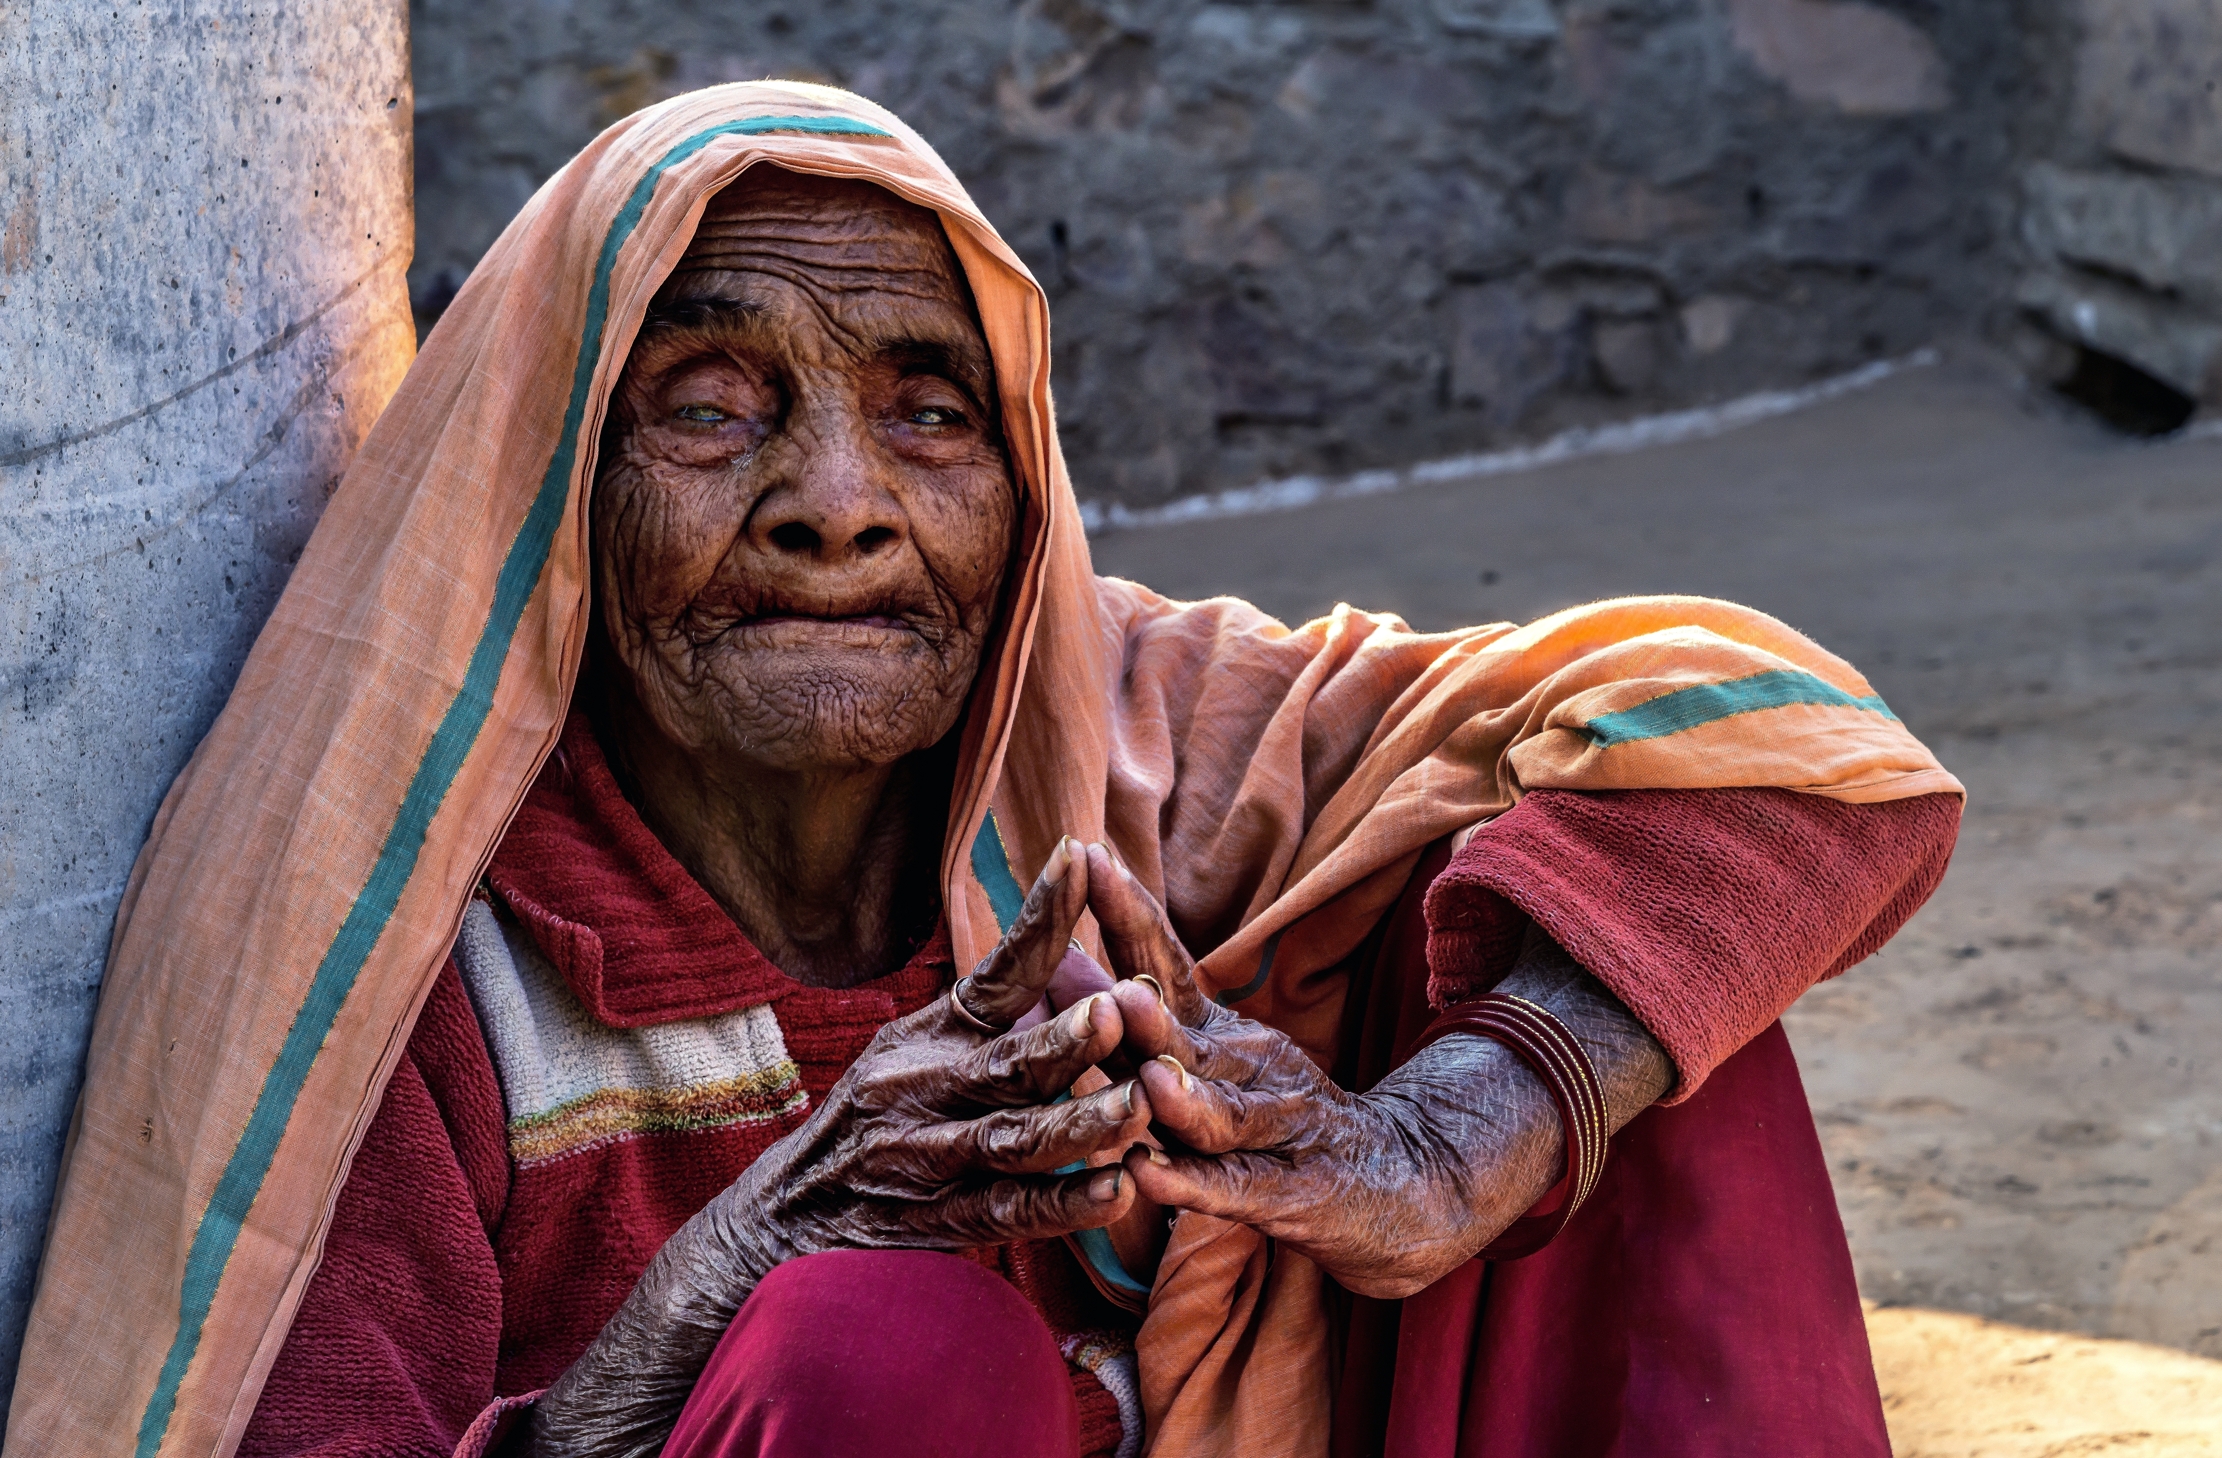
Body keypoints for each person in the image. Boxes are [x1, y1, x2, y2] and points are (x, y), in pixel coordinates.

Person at [11, 85, 1961, 1458]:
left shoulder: (1118, 720)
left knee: (1613, 991)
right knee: (883, 1335)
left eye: (930, 414)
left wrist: (1448, 1138)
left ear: (1024, 496)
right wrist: (732, 1271)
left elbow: (1781, 739)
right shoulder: (407, 946)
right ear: (555, 500)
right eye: (709, 406)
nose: (836, 511)